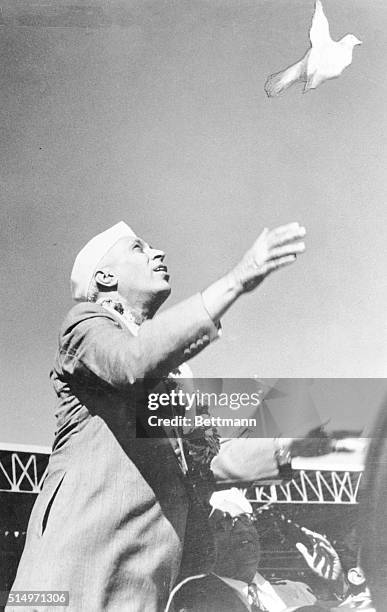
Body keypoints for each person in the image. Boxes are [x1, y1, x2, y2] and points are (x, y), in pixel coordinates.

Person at [8, 220, 306, 612]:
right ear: (104, 277)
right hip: (69, 579)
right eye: (139, 248)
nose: (158, 254)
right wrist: (237, 279)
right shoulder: (84, 326)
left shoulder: (177, 378)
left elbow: (202, 467)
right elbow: (130, 362)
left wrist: (290, 443)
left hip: (145, 589)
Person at [166, 488, 337, 612]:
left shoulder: (296, 590)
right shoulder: (193, 605)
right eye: (222, 525)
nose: (241, 529)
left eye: (244, 520)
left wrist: (336, 584)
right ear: (203, 543)